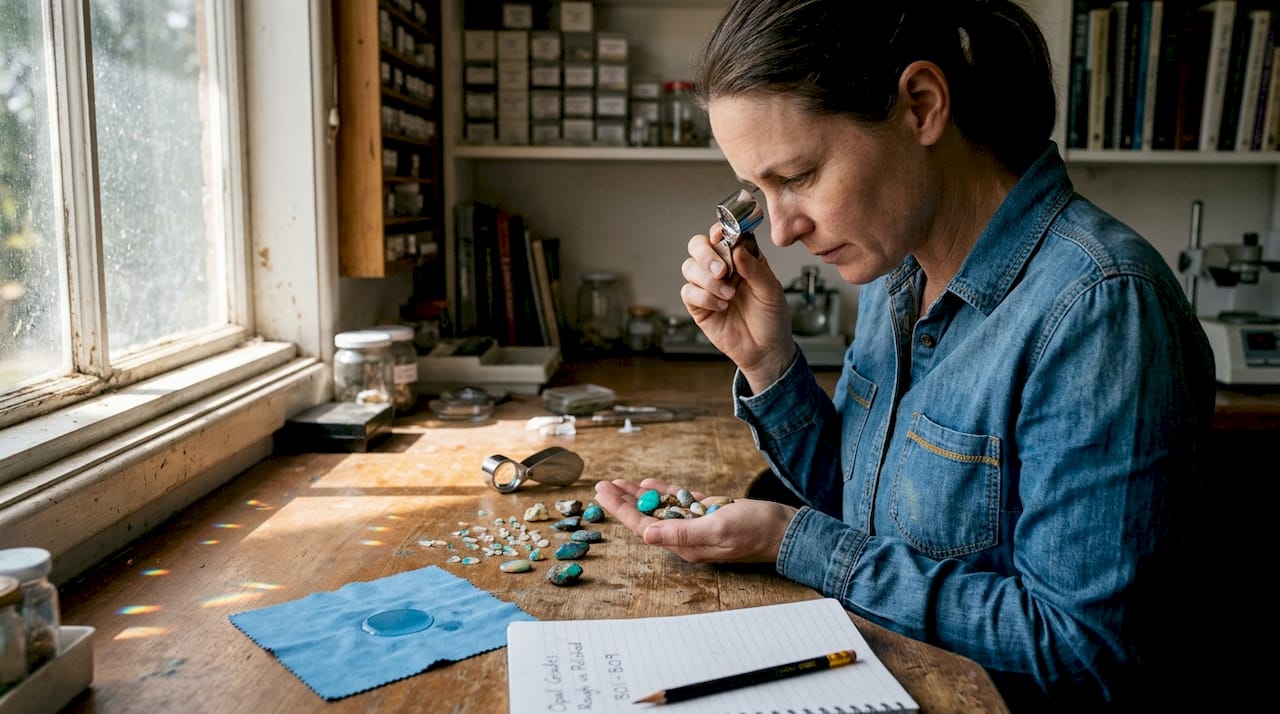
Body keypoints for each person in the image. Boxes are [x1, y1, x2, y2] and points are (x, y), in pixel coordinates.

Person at [593, 1, 1218, 710]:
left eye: (796, 176)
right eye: (759, 194)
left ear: (921, 106)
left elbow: (1081, 650)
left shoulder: (1101, 309)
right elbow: (869, 514)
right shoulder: (900, 273)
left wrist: (795, 542)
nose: (786, 230)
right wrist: (768, 364)